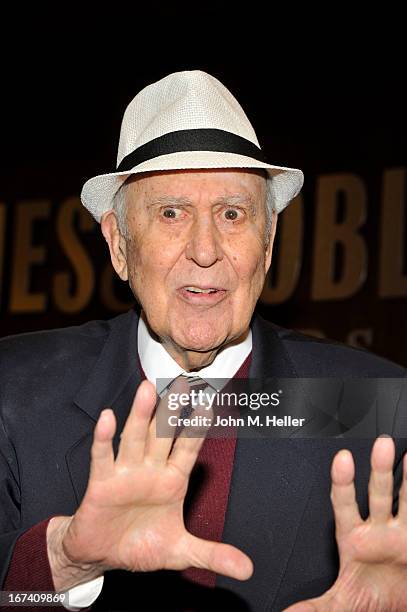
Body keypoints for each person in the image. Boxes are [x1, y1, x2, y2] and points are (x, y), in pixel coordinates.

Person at [1, 70, 407, 612]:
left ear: (267, 245)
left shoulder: (378, 402)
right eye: (172, 212)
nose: (205, 249)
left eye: (232, 214)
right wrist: (62, 562)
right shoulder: (13, 391)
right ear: (119, 244)